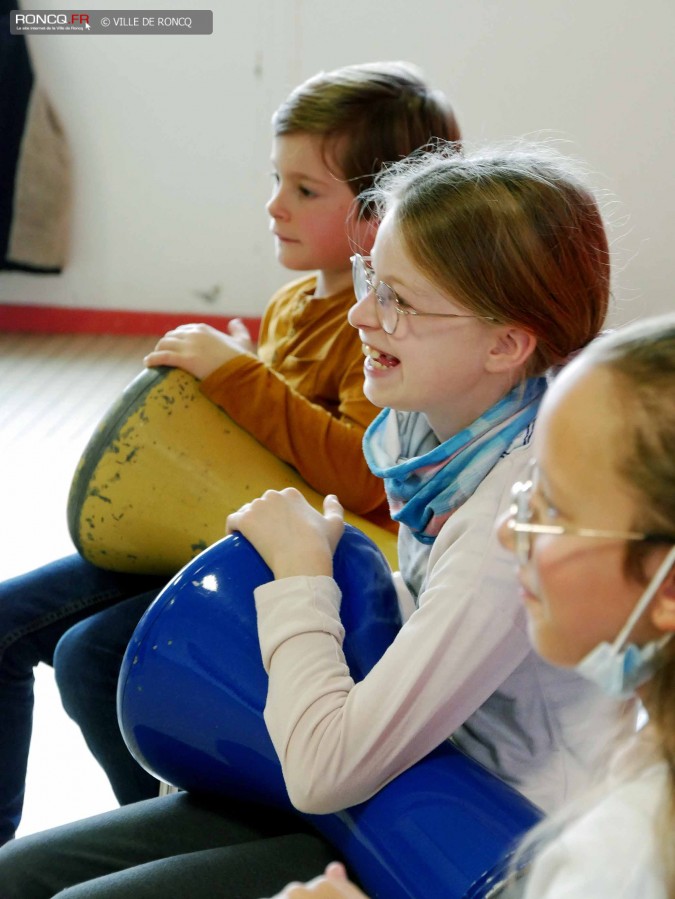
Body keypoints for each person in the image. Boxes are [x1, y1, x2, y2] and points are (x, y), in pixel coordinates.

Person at [0, 142, 632, 899]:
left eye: (398, 299)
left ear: (505, 342)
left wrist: (302, 579)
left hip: (488, 841)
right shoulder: (428, 426)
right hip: (408, 774)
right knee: (17, 875)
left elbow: (325, 770)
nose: (361, 314)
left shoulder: (514, 519)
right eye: (372, 278)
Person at [0, 61, 460, 846]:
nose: (273, 205)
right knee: (11, 620)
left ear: (384, 213)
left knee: (88, 657)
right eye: (274, 180)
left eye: (304, 191)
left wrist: (241, 377)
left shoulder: (379, 329)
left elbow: (360, 474)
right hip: (222, 531)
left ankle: (155, 830)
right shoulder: (289, 304)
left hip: (304, 569)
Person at [269, 316, 675, 899]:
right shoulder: (641, 776)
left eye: (553, 510)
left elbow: (322, 771)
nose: (511, 531)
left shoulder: (625, 853)